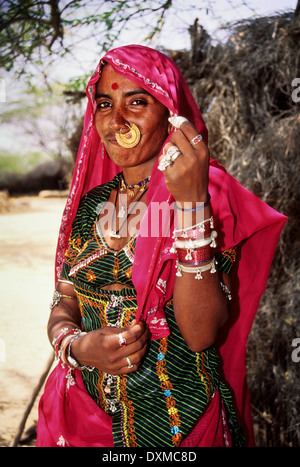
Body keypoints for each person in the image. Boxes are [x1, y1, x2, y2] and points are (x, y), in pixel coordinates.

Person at [36, 45, 287, 448]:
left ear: (172, 114)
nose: (117, 121)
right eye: (104, 103)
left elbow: (202, 333)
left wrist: (189, 204)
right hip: (81, 418)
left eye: (136, 102)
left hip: (181, 430)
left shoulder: (209, 196)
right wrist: (76, 347)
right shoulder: (91, 206)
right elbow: (64, 299)